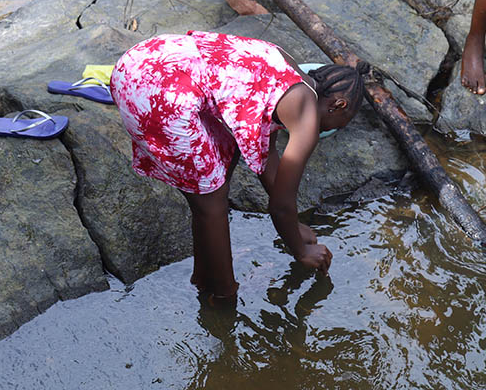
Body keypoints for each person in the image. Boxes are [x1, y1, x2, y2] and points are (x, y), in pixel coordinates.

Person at [109, 30, 366, 304]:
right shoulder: (307, 117)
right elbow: (279, 207)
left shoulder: (291, 76)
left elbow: (268, 158)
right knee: (212, 206)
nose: (335, 129)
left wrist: (295, 225)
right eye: (343, 122)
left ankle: (203, 277)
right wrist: (301, 249)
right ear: (339, 105)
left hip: (142, 62)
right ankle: (223, 296)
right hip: (161, 93)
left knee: (216, 177)